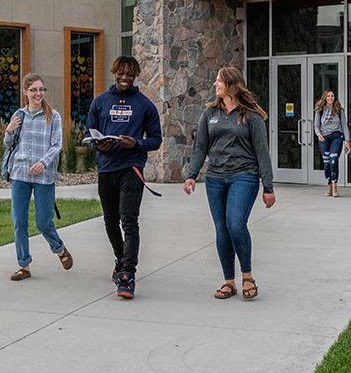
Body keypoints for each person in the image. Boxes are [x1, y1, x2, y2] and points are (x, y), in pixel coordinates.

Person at [183, 66, 275, 300]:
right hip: (215, 178)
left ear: (232, 85)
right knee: (222, 230)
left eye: (219, 81)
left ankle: (247, 276)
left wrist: (268, 187)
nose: (215, 85)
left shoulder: (251, 116)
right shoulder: (210, 113)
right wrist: (192, 175)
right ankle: (229, 281)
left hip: (244, 176)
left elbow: (262, 152)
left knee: (235, 224)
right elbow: (200, 147)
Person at [87, 55, 161, 299]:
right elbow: (90, 135)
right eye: (121, 73)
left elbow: (155, 139)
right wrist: (100, 146)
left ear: (136, 76)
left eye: (130, 74)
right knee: (110, 220)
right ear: (114, 72)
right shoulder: (100, 102)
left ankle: (128, 274)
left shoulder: (144, 105)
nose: (125, 78)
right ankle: (120, 257)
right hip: (106, 169)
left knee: (129, 220)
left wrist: (136, 143)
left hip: (131, 169)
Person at [2, 72, 73, 280]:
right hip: (20, 174)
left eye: (41, 89)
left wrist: (43, 162)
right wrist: (8, 130)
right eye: (33, 90)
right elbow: (8, 145)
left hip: (44, 176)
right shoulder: (19, 115)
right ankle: (24, 265)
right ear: (25, 92)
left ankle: (59, 249)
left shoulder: (54, 116)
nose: (38, 93)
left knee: (43, 222)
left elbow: (57, 145)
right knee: (19, 222)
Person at [314, 89, 350, 197]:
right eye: (328, 96)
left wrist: (347, 141)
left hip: (336, 136)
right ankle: (329, 185)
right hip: (323, 138)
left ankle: (335, 187)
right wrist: (318, 134)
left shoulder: (339, 110)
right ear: (325, 97)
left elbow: (344, 125)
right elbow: (316, 125)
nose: (331, 98)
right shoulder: (319, 110)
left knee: (333, 159)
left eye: (332, 96)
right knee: (326, 163)